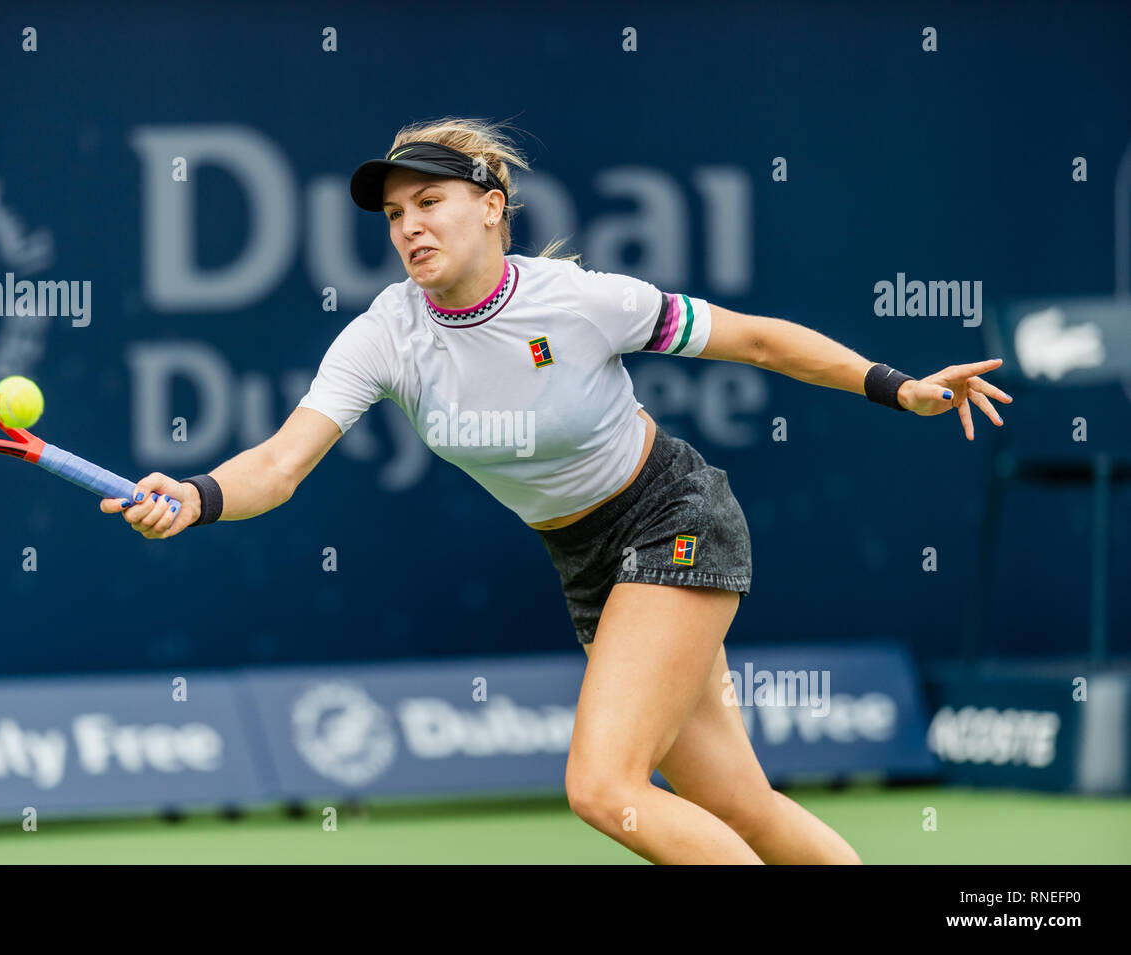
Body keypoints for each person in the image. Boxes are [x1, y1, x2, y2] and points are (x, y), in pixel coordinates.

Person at [102, 117, 1011, 864]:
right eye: (392, 214)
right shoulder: (385, 334)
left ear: (492, 209)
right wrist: (196, 494)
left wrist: (897, 384)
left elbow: (759, 342)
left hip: (674, 517)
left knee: (603, 787)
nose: (408, 225)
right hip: (587, 562)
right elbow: (279, 464)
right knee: (736, 799)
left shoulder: (577, 301)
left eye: (430, 202)